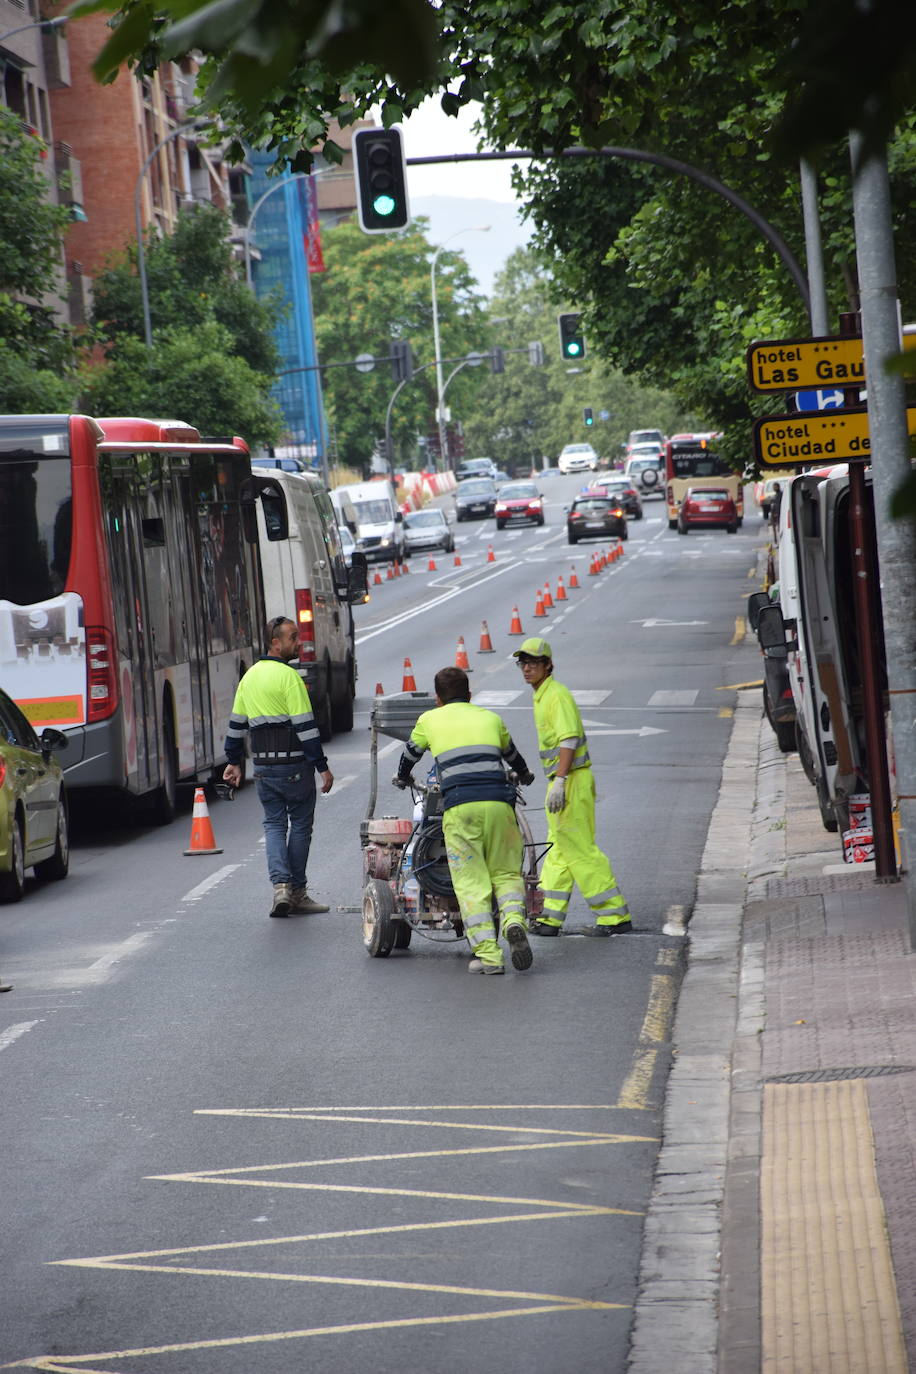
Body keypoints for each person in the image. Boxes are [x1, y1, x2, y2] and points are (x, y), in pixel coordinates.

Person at [393, 666, 536, 975]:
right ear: (470, 696)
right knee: (507, 874)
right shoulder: (490, 718)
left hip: (461, 808)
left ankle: (489, 956)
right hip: (500, 804)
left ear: (438, 700)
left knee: (471, 883)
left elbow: (410, 754)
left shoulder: (429, 719)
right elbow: (514, 757)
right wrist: (524, 775)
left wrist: (403, 777)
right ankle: (513, 921)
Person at [512, 637, 632, 937]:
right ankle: (549, 917)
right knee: (559, 849)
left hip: (572, 780)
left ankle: (614, 916)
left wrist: (562, 781)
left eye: (534, 663)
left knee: (579, 849)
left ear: (548, 665)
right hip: (562, 780)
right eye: (523, 664)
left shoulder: (556, 695)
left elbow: (569, 739)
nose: (527, 669)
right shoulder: (542, 695)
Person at [223, 616, 333, 917]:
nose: (298, 643)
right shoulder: (289, 678)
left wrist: (234, 761)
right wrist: (322, 766)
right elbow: (306, 727)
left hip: (263, 770)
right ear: (276, 642)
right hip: (295, 768)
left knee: (273, 824)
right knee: (299, 825)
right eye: (293, 638)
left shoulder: (250, 678)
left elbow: (235, 727)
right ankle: (297, 891)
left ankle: (280, 887)